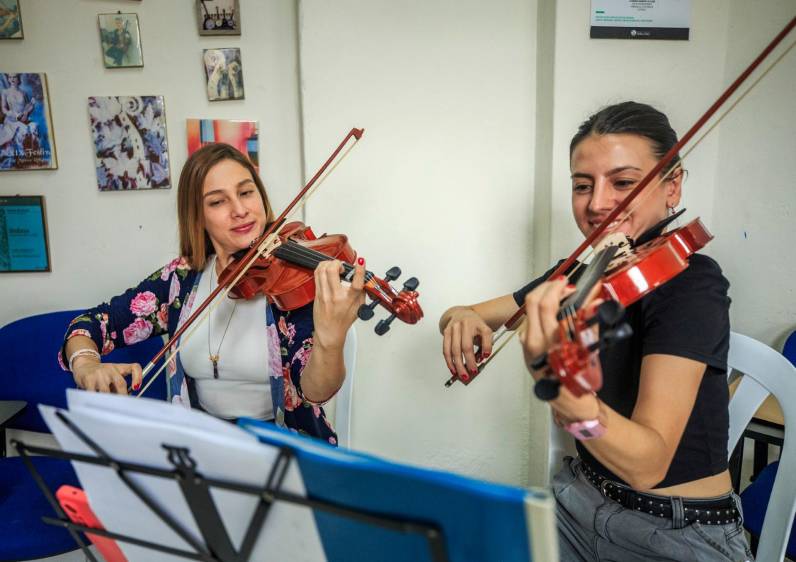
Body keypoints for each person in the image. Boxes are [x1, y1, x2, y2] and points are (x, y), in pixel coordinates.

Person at [439, 102, 753, 561]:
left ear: (673, 185)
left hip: (674, 532)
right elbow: (461, 313)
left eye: (624, 182)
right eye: (582, 185)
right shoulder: (581, 273)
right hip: (578, 502)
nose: (598, 203)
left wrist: (557, 384)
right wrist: (462, 318)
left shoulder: (692, 283)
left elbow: (648, 466)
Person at [60, 143, 365, 445]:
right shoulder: (181, 279)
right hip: (201, 446)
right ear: (197, 215)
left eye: (246, 193)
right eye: (218, 202)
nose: (240, 210)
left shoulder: (289, 280)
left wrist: (330, 339)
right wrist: (85, 362)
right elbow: (95, 322)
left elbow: (315, 390)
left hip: (283, 447)